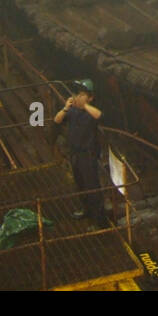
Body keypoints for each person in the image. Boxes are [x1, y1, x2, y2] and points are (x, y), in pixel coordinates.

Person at [53, 79, 107, 227]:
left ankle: (99, 221)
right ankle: (86, 210)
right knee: (80, 185)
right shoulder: (73, 111)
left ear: (90, 97)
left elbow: (100, 116)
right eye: (78, 94)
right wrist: (66, 108)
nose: (78, 97)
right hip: (75, 153)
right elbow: (57, 120)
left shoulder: (91, 112)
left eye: (82, 94)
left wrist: (85, 106)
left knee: (92, 187)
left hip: (87, 154)